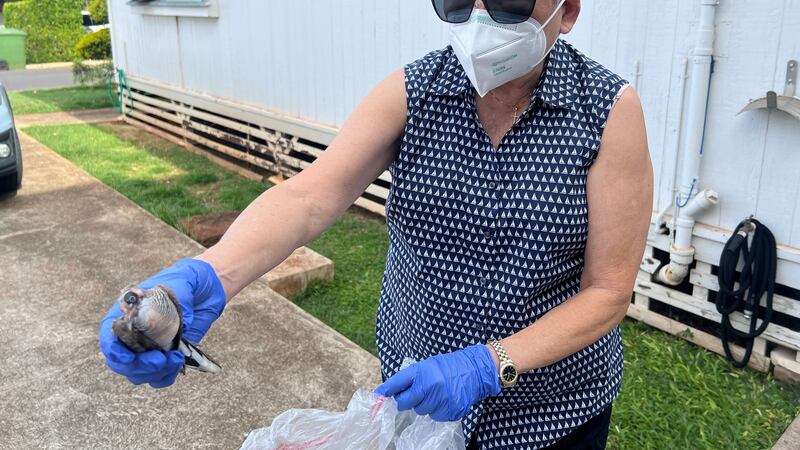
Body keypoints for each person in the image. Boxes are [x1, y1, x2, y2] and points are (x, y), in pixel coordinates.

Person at [99, 0, 653, 448]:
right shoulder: (414, 92)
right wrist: (209, 273)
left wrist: (491, 363)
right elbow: (311, 196)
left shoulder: (607, 111)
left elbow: (607, 291)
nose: (480, 20)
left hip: (551, 414)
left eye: (509, 2)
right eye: (459, 1)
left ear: (569, 10)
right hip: (417, 397)